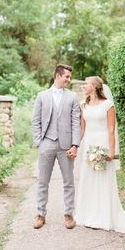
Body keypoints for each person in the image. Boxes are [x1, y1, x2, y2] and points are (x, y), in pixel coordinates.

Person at [75, 76, 125, 236]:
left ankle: (103, 217)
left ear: (95, 86)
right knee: (88, 179)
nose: (83, 86)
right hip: (88, 145)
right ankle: (87, 214)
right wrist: (75, 146)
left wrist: (111, 151)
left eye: (86, 84)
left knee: (102, 179)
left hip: (102, 145)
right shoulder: (83, 105)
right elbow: (82, 130)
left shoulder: (108, 105)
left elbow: (111, 130)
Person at [32, 64, 81, 229]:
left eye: (69, 77)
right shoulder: (41, 96)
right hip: (46, 143)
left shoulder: (73, 97)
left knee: (68, 181)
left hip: (66, 146)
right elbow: (35, 121)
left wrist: (75, 145)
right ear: (57, 75)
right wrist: (39, 142)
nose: (69, 79)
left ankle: (68, 214)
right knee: (43, 182)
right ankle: (40, 215)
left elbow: (76, 122)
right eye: (66, 76)